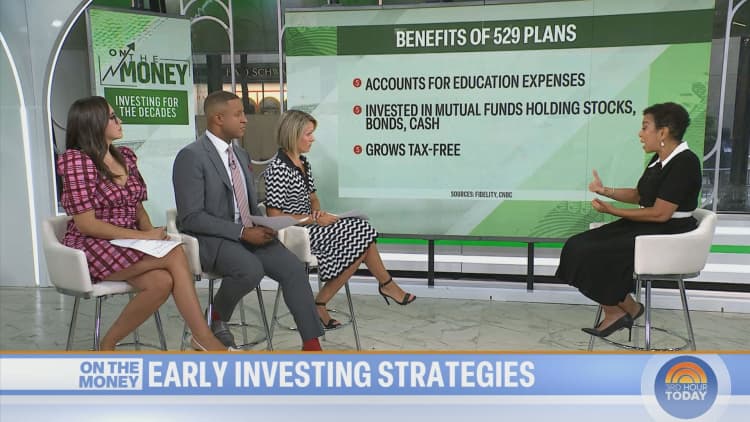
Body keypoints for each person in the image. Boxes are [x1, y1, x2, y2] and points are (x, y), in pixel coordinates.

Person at [57, 96, 230, 351]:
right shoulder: (77, 161)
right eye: (112, 117)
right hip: (92, 245)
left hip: (129, 243)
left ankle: (108, 344)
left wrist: (151, 234)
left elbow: (138, 209)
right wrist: (146, 238)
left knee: (161, 282)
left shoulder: (125, 156)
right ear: (94, 123)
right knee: (175, 254)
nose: (119, 121)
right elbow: (86, 225)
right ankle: (203, 338)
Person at [172, 91, 323, 351]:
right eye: (238, 114)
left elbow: (249, 204)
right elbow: (191, 217)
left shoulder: (241, 155)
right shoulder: (191, 156)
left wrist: (264, 225)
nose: (245, 119)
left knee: (293, 268)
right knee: (250, 269)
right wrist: (241, 232)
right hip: (213, 239)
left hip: (249, 233)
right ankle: (214, 319)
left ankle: (311, 345)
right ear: (218, 118)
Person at [555, 102, 702, 339]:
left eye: (645, 127)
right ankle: (625, 308)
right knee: (576, 245)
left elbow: (660, 213)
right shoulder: (658, 159)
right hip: (648, 226)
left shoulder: (685, 162)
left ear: (663, 132)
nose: (640, 134)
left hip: (667, 232)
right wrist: (606, 191)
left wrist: (614, 211)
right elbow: (639, 195)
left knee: (592, 251)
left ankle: (619, 310)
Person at [264, 110, 416, 329]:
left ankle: (326, 302)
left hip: (311, 226)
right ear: (293, 134)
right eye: (308, 134)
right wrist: (312, 219)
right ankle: (381, 286)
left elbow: (313, 198)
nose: (313, 139)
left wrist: (317, 213)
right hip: (294, 234)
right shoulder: (278, 169)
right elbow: (274, 216)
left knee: (362, 231)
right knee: (363, 235)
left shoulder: (303, 163)